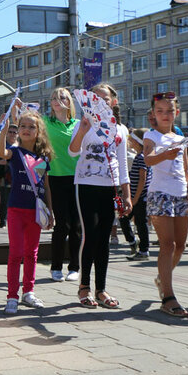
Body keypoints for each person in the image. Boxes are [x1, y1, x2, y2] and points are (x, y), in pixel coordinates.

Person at [69, 83, 131, 310]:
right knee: (90, 235)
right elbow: (72, 151)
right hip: (86, 183)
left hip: (110, 186)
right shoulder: (83, 123)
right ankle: (84, 287)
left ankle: (101, 289)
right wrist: (84, 129)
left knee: (104, 238)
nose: (100, 101)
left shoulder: (121, 130)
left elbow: (123, 164)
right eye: (95, 97)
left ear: (113, 102)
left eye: (104, 98)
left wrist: (127, 195)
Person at [143, 93, 188, 318]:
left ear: (176, 112)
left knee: (181, 245)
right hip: (161, 194)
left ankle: (162, 279)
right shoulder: (151, 135)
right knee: (167, 245)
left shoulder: (179, 137)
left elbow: (186, 169)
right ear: (154, 114)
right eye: (160, 111)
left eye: (169, 110)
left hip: (180, 195)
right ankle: (168, 297)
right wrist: (165, 154)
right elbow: (148, 159)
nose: (165, 115)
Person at [0, 104, 53, 314]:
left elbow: (46, 187)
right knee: (16, 253)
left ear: (38, 132)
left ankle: (28, 292)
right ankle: (12, 296)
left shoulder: (44, 158)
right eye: (23, 126)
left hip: (35, 211)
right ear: (18, 130)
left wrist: (51, 212)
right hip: (16, 209)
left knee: (32, 253)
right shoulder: (15, 152)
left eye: (31, 126)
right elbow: (1, 152)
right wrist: (4, 129)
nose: (27, 129)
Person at [43, 87, 80, 282]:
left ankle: (75, 266)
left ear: (70, 102)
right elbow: (25, 122)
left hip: (78, 178)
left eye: (62, 97)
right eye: (53, 98)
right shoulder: (46, 122)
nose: (57, 100)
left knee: (76, 225)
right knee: (61, 225)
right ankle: (56, 267)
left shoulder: (78, 124)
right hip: (55, 177)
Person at [121, 128, 152, 261]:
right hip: (136, 197)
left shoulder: (141, 157)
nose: (129, 142)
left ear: (138, 142)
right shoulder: (139, 156)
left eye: (132, 140)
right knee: (124, 218)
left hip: (139, 198)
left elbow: (142, 179)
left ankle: (144, 250)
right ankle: (133, 243)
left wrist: (135, 198)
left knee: (141, 223)